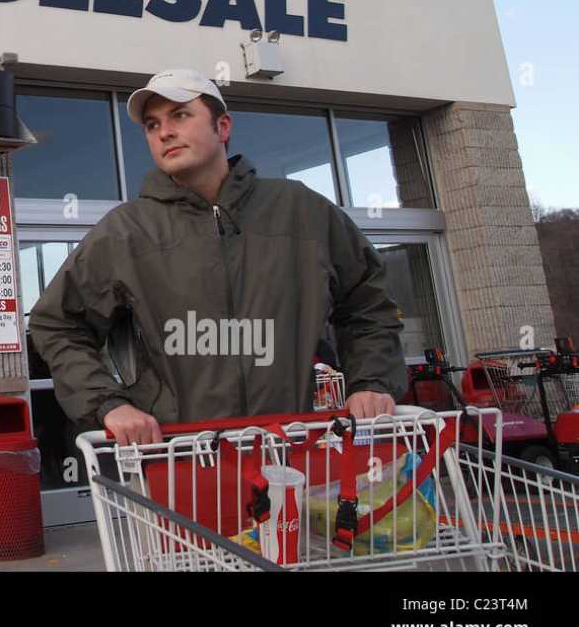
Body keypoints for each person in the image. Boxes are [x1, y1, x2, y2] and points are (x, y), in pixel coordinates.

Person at [27, 67, 408, 446]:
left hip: (291, 450)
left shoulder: (302, 211)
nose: (164, 132)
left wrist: (370, 382)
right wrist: (108, 404)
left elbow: (367, 304)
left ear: (222, 127)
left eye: (179, 115)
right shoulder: (126, 232)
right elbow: (57, 323)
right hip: (180, 460)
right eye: (151, 124)